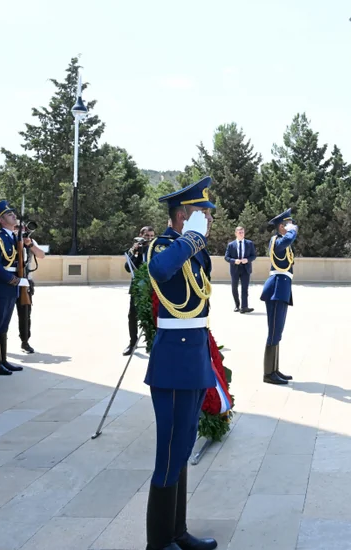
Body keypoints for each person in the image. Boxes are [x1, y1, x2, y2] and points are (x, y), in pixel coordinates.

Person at [144, 177, 218, 550]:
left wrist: (193, 242)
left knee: (185, 443)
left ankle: (177, 531)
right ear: (184, 215)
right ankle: (158, 542)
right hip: (174, 356)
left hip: (193, 353)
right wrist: (190, 238)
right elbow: (159, 271)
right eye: (203, 213)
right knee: (169, 449)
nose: (209, 220)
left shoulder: (192, 249)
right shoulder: (165, 244)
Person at [0, 201, 30, 375]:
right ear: (1, 220)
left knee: (4, 325)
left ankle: (3, 360)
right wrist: (14, 280)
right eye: (9, 215)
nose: (14, 216)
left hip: (12, 287)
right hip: (0, 286)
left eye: (13, 213)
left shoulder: (14, 237)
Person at [260, 208, 297, 385]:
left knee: (278, 330)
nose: (290, 226)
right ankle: (268, 374)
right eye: (287, 224)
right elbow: (288, 239)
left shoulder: (282, 242)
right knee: (274, 331)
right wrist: (293, 230)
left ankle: (274, 369)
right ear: (281, 227)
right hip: (277, 287)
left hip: (282, 287)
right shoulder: (278, 241)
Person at [123, 225, 156, 355]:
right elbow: (127, 267)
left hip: (152, 286)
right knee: (133, 315)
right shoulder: (135, 250)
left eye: (152, 236)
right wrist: (135, 252)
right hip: (137, 287)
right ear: (141, 235)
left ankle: (151, 342)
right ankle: (132, 343)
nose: (149, 239)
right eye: (147, 236)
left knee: (151, 315)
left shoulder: (155, 249)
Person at [14, 227, 46, 353]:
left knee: (25, 314)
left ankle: (25, 341)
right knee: (4, 314)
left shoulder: (29, 241)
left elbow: (41, 255)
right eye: (17, 228)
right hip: (9, 282)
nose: (21, 231)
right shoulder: (7, 240)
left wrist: (30, 244)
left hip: (26, 282)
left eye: (23, 229)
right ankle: (1, 341)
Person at [224, 226, 256, 313]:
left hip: (246, 269)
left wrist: (248, 260)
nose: (241, 234)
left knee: (244, 288)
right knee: (234, 288)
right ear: (236, 233)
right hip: (235, 269)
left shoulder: (249, 243)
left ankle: (244, 307)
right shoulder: (231, 245)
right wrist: (234, 261)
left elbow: (254, 255)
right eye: (239, 232)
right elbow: (226, 257)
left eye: (242, 232)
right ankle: (237, 305)